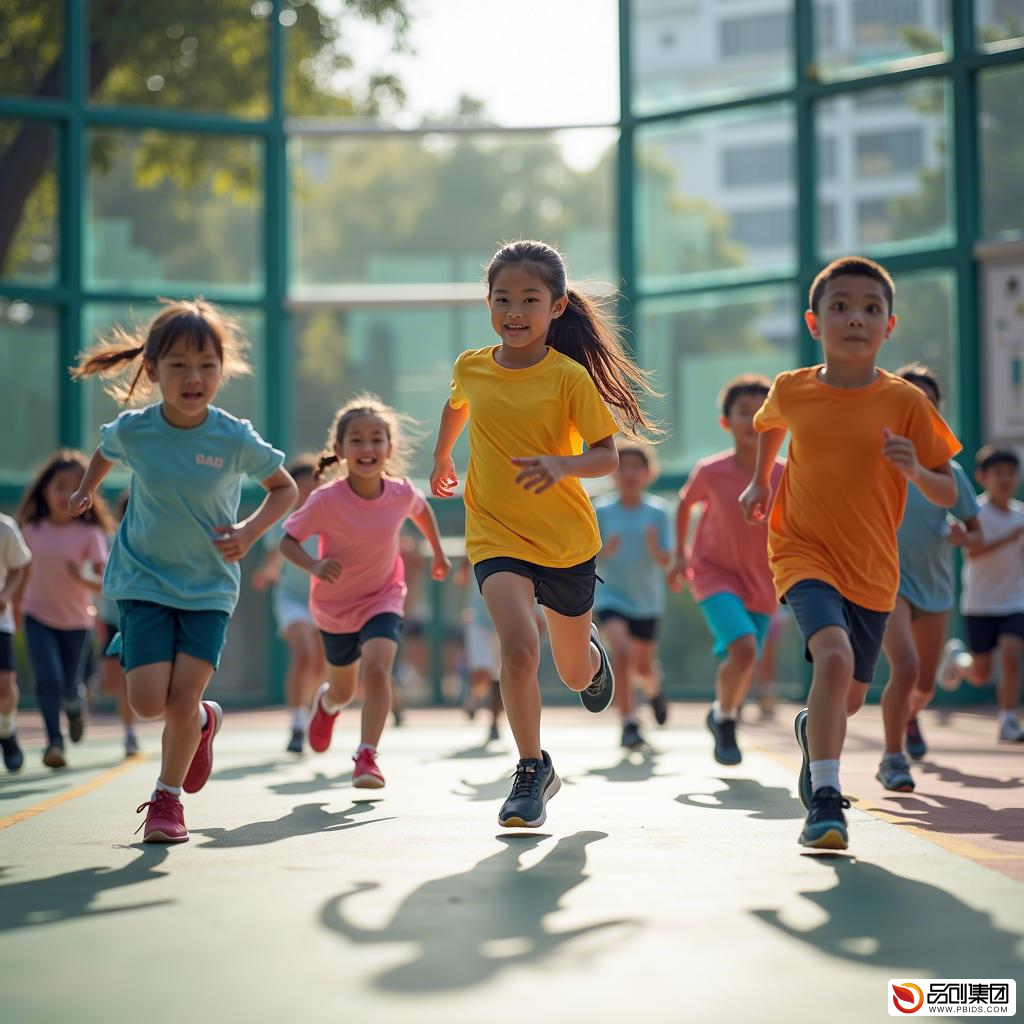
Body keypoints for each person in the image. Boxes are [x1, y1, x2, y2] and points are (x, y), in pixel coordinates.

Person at [430, 239, 659, 829]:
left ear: (556, 307)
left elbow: (607, 456)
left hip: (564, 541)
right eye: (502, 297)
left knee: (571, 672)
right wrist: (442, 458)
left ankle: (591, 659)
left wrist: (563, 465)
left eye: (529, 299)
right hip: (493, 533)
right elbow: (459, 404)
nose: (514, 310)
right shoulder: (472, 366)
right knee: (517, 648)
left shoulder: (568, 377)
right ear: (487, 303)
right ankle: (532, 769)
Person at [740, 256, 960, 851]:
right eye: (840, 306)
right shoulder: (792, 388)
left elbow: (949, 488)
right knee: (832, 659)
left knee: (851, 694)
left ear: (889, 326)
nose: (854, 318)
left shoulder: (906, 403)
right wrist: (763, 481)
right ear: (815, 321)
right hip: (801, 550)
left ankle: (819, 729)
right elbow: (770, 424)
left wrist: (919, 473)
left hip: (873, 569)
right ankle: (828, 800)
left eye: (870, 308)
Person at [70, 299, 296, 843]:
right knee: (149, 703)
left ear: (223, 369)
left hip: (209, 587)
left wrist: (248, 531)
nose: (194, 377)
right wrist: (86, 487)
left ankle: (168, 802)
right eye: (178, 365)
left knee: (178, 697)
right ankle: (201, 721)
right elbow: (105, 448)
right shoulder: (138, 430)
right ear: (152, 369)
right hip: (143, 580)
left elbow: (284, 489)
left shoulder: (232, 436)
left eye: (206, 365)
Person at [282, 395, 450, 789]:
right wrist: (314, 566)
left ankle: (367, 754)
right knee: (344, 689)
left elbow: (422, 510)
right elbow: (288, 541)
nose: (367, 448)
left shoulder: (400, 493)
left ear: (389, 448)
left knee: (377, 671)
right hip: (334, 608)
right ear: (339, 450)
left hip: (384, 598)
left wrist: (438, 554)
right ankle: (326, 704)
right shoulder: (325, 501)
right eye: (355, 440)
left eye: (376, 439)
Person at [669, 375, 784, 765]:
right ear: (726, 422)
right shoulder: (711, 471)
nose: (753, 421)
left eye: (761, 413)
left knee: (744, 659)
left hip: (764, 580)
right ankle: (730, 722)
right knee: (744, 647)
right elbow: (685, 505)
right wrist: (680, 556)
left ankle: (722, 715)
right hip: (713, 572)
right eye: (742, 413)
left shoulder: (785, 473)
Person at [878, 365, 981, 788]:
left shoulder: (949, 470)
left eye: (929, 403)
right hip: (889, 581)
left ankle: (912, 717)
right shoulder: (879, 461)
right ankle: (892, 756)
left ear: (938, 412)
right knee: (903, 668)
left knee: (923, 683)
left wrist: (960, 535)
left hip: (935, 588)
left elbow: (976, 532)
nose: (920, 410)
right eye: (910, 401)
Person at [18, 450, 112, 768]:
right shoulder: (31, 530)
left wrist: (81, 577)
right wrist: (15, 611)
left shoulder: (90, 534)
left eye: (75, 487)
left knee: (69, 685)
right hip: (37, 616)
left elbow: (107, 582)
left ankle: (74, 705)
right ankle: (53, 743)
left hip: (76, 622)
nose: (65, 494)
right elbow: (19, 574)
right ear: (45, 488)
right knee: (48, 679)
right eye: (59, 485)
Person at [938, 445, 1024, 743]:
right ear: (982, 477)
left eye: (1011, 473)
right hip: (980, 603)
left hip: (1015, 602)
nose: (1006, 479)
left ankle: (1009, 720)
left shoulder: (1020, 515)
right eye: (998, 473)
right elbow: (973, 551)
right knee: (980, 674)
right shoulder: (976, 512)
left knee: (1012, 653)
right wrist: (1010, 537)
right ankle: (958, 658)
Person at [594, 442, 671, 751]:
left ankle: (655, 687)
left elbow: (669, 560)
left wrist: (655, 550)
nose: (628, 473)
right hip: (610, 597)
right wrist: (604, 551)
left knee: (642, 668)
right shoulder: (600, 510)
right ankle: (628, 723)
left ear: (647, 473)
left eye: (636, 467)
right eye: (621, 467)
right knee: (621, 653)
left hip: (647, 601)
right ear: (613, 473)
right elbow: (585, 557)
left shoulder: (659, 512)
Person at [252, 455, 327, 753]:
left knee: (321, 666)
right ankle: (296, 725)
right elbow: (275, 557)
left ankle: (310, 714)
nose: (309, 494)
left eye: (314, 487)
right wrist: (266, 573)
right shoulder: (283, 522)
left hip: (326, 601)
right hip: (292, 599)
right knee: (305, 656)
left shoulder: (331, 516)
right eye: (303, 488)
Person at [98, 491, 140, 758]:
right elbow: (101, 579)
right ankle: (85, 687)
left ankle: (129, 734)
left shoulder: (155, 543)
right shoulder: (110, 542)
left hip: (140, 619)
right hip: (114, 619)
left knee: (128, 680)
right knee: (110, 683)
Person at [456, 558, 505, 744]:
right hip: (479, 619)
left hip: (504, 617)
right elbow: (462, 578)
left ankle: (494, 724)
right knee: (481, 671)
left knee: (499, 676)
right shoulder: (476, 540)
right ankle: (474, 696)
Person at [0, 512, 32, 771]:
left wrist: (6, 596)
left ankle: (6, 731)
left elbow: (17, 567)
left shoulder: (5, 527)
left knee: (4, 686)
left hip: (1, 622)